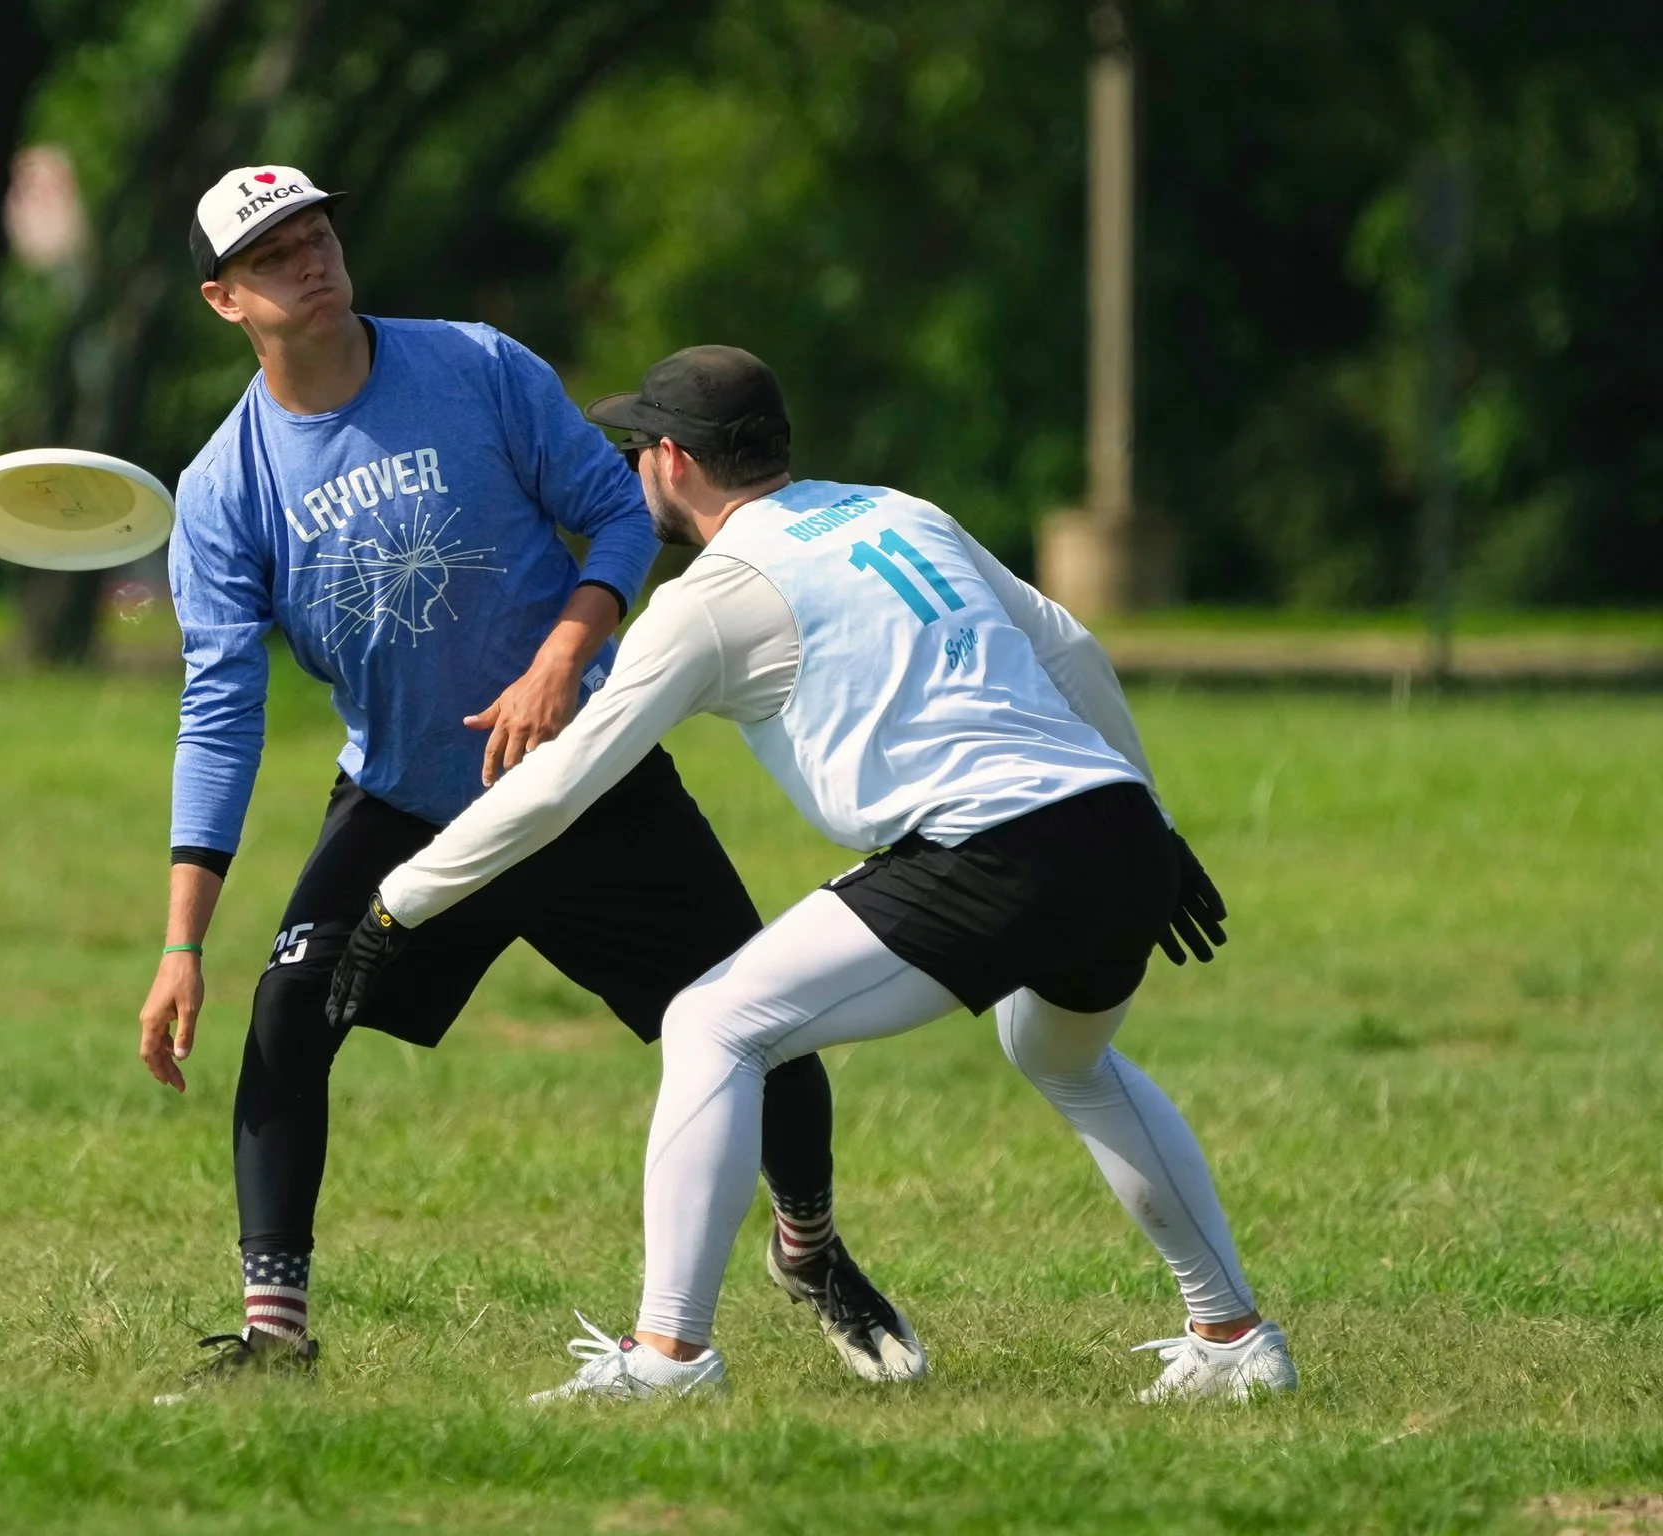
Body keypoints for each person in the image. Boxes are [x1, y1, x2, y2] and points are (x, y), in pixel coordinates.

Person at [331, 344, 1298, 1404]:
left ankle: (668, 1359)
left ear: (673, 459)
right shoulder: (899, 510)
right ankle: (1233, 1336)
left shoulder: (710, 598)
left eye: (635, 446)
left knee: (713, 1023)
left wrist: (397, 903)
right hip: (1116, 831)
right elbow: (1071, 649)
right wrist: (1155, 823)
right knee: (1062, 1056)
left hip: (993, 848)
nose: (632, 467)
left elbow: (560, 785)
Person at [139, 169, 919, 1385]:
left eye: (318, 234)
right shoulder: (223, 489)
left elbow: (619, 515)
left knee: (762, 1024)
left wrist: (564, 656)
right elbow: (221, 712)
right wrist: (183, 942)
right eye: (273, 254)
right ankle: (274, 1334)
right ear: (223, 299)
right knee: (288, 1012)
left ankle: (808, 1249)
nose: (310, 260)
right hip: (407, 801)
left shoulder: (475, 364)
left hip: (585, 776)